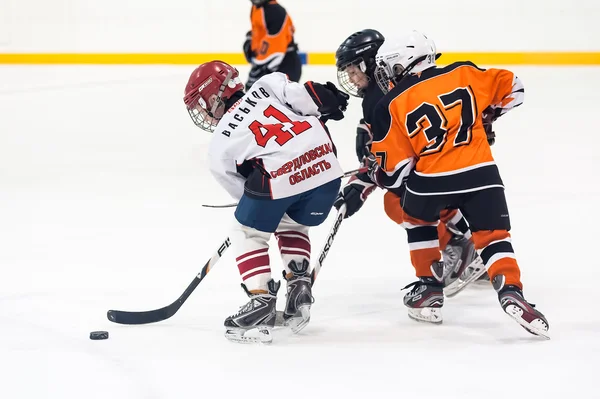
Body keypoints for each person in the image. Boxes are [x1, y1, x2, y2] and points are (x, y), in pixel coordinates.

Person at [366, 30, 549, 338]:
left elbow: (397, 174)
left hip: (432, 179)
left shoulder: (391, 103)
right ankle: (511, 292)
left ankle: (429, 288)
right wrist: (486, 118)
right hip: (483, 174)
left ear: (401, 64)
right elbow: (514, 88)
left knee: (415, 217)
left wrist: (376, 173)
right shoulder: (464, 71)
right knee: (493, 236)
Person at [183, 60, 349, 343]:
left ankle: (260, 300)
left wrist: (257, 208)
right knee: (292, 224)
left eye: (203, 104)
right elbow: (309, 100)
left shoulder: (220, 143)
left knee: (246, 231)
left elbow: (240, 193)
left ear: (214, 96)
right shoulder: (267, 84)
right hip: (328, 172)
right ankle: (299, 287)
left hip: (280, 181)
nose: (204, 113)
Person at [333, 29, 482, 293]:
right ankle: (475, 244)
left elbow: (392, 160)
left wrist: (361, 184)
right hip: (463, 158)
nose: (353, 80)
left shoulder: (377, 99)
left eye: (355, 71)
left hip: (435, 166)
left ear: (370, 63)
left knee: (398, 201)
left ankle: (457, 247)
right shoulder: (391, 84)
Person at [243, 0, 302, 91]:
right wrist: (251, 42)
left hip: (284, 63)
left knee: (277, 101)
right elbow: (259, 32)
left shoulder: (275, 11)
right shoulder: (256, 8)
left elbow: (276, 48)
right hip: (268, 63)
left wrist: (259, 66)